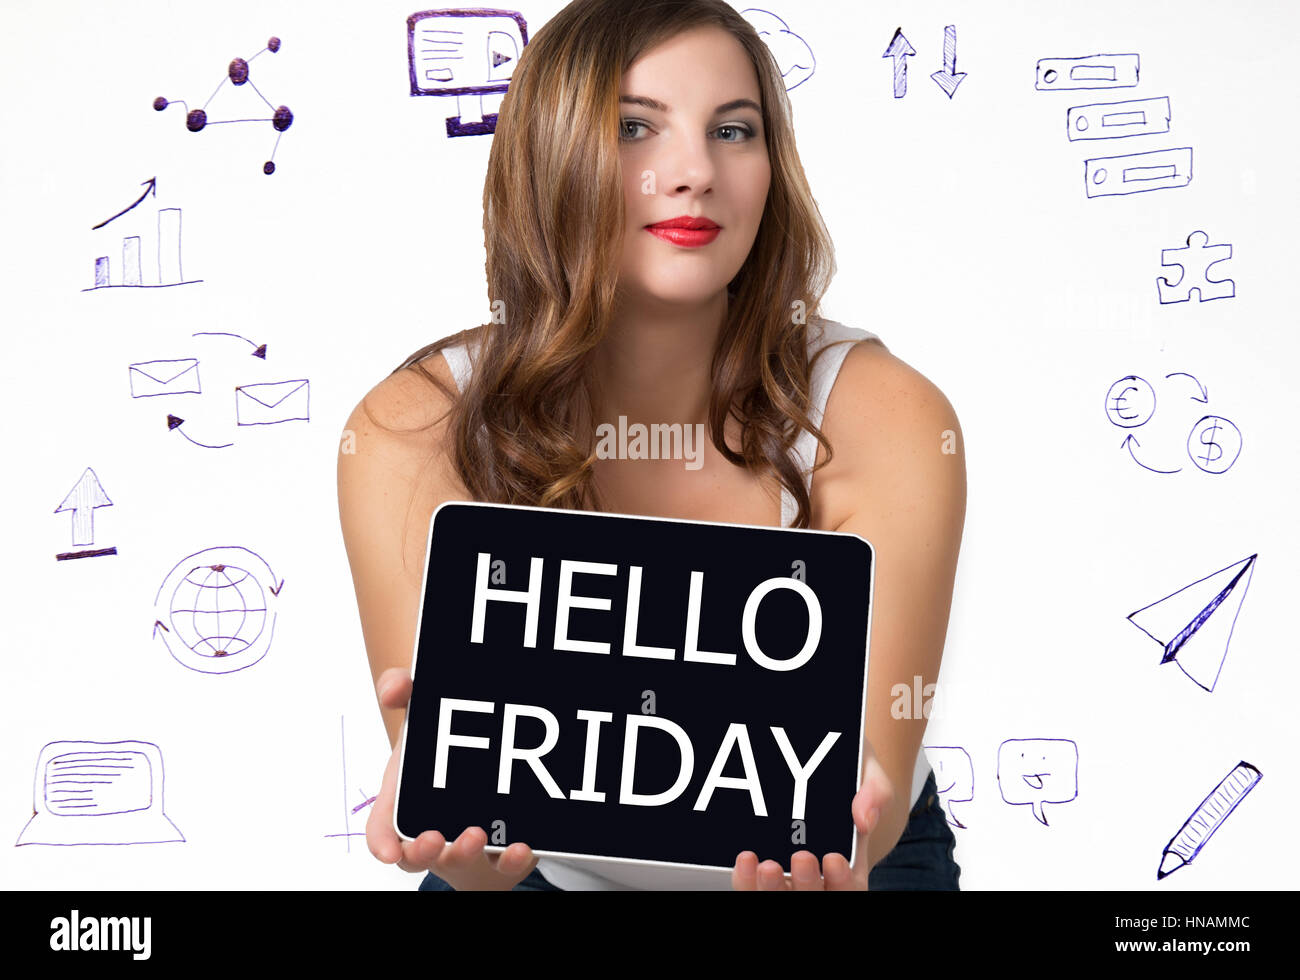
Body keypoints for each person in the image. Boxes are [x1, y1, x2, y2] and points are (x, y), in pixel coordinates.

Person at [337, 0, 966, 891]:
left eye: (734, 131)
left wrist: (853, 833)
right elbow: (462, 806)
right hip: (538, 876)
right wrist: (461, 846)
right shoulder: (412, 427)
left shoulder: (888, 413)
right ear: (552, 152)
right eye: (636, 127)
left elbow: (877, 784)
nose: (695, 173)